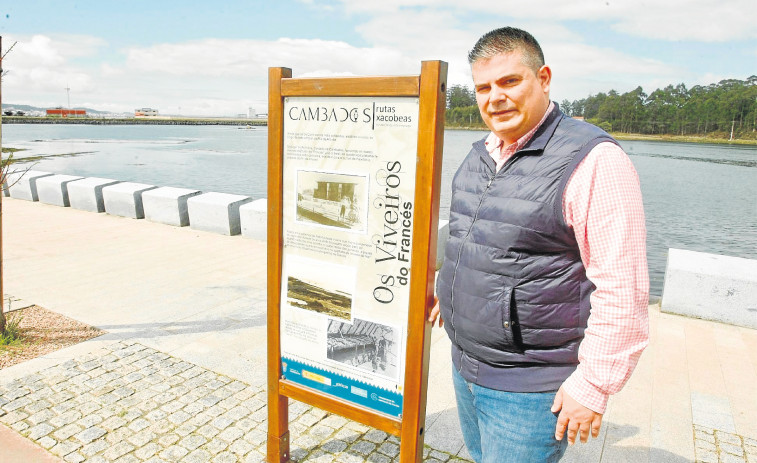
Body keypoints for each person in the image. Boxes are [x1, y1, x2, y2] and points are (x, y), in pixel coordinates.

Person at [429, 26, 649, 462]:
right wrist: (450, 288)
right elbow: (473, 238)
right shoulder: (481, 154)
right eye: (483, 87)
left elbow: (624, 288)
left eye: (510, 81)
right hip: (465, 364)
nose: (495, 97)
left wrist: (594, 384)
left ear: (543, 78)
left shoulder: (594, 161)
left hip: (529, 388)